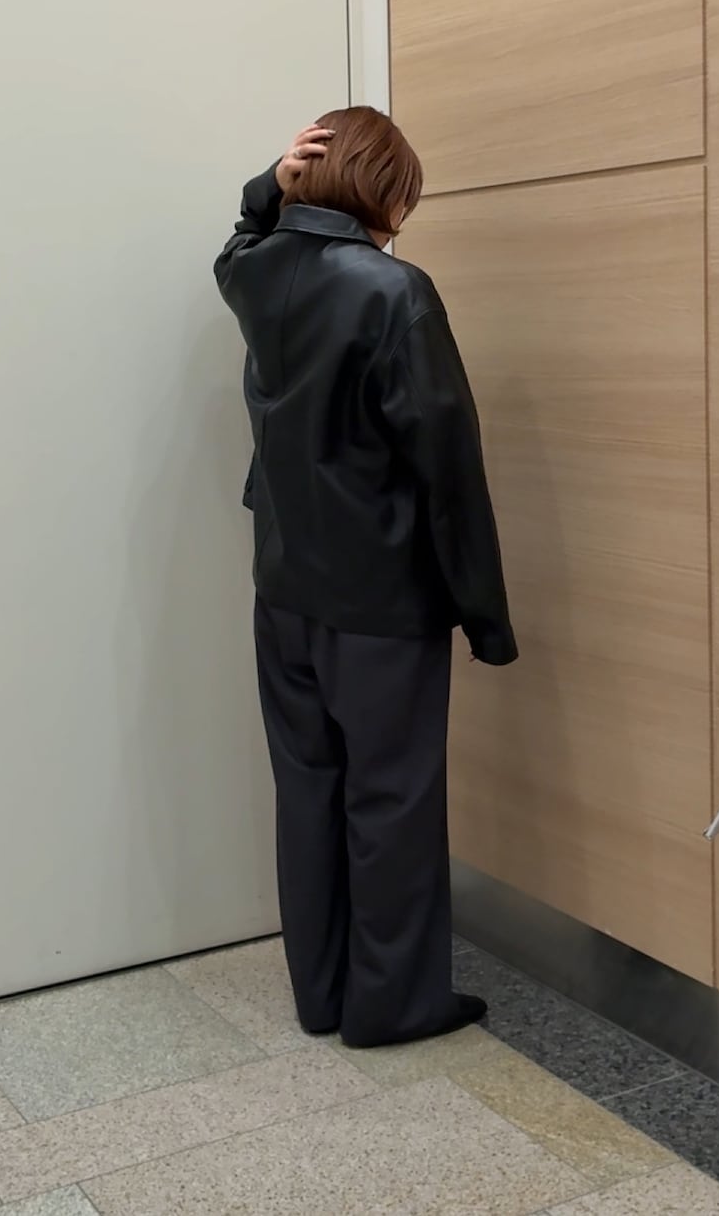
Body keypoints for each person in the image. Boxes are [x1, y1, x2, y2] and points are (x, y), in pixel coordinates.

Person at [214, 106, 517, 1048]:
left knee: (308, 792)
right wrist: (485, 614)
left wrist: (269, 184)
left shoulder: (254, 273)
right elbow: (448, 469)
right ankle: (394, 1005)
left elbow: (237, 238)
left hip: (283, 590)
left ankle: (323, 992)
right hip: (381, 601)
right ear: (389, 194)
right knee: (392, 801)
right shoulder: (395, 291)